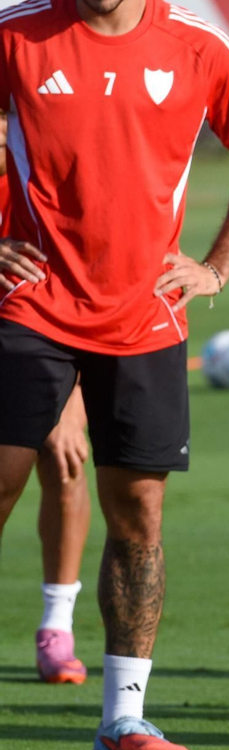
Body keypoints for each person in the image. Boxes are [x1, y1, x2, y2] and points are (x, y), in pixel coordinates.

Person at [0, 0, 229, 750]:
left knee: (139, 520)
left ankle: (123, 717)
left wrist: (217, 267)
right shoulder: (15, 34)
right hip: (30, 306)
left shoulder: (200, 46)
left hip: (144, 318)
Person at [0, 111, 95, 686]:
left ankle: (57, 628)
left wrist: (74, 397)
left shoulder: (54, 174)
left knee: (65, 459)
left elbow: (92, 281)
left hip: (43, 337)